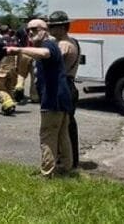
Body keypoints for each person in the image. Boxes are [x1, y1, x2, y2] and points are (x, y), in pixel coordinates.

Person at [5, 19, 73, 177]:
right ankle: (65, 169)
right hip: (61, 98)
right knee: (62, 135)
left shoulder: (48, 45)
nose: (30, 32)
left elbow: (45, 54)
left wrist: (19, 49)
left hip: (53, 99)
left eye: (34, 29)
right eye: (28, 30)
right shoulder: (50, 44)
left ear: (45, 30)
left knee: (47, 135)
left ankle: (47, 173)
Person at [48, 10, 81, 169]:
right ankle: (71, 160)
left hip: (64, 86)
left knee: (62, 127)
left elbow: (52, 61)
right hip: (69, 85)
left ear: (62, 27)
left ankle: (67, 161)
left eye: (53, 26)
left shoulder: (63, 44)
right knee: (68, 125)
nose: (50, 29)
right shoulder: (73, 41)